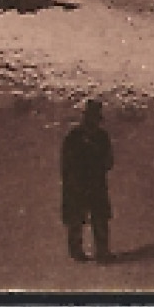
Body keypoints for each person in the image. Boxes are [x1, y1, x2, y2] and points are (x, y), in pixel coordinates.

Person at [61, 99, 115, 263]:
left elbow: (109, 161)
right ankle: (76, 251)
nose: (93, 122)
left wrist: (100, 164)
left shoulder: (102, 137)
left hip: (96, 183)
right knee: (76, 218)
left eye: (95, 118)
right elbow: (66, 162)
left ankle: (102, 252)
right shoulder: (73, 137)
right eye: (90, 118)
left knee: (100, 217)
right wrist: (72, 180)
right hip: (76, 184)